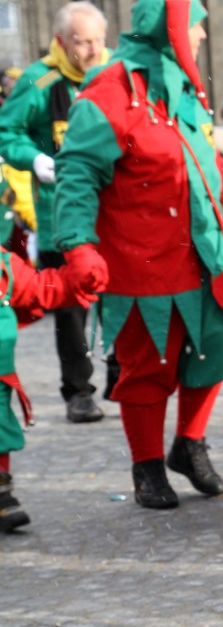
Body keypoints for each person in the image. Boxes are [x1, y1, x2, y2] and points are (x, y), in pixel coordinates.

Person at [53, 0, 223, 510]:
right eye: (195, 23)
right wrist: (79, 246)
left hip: (204, 254)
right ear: (172, 27)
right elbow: (78, 174)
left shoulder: (180, 85)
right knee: (147, 366)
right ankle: (147, 466)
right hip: (142, 263)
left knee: (212, 351)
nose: (201, 34)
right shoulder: (107, 92)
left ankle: (189, 444)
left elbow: (202, 160)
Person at [0, 2, 109, 423]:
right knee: (70, 306)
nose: (94, 50)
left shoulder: (112, 73)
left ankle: (123, 374)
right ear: (62, 41)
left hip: (112, 210)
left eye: (99, 39)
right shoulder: (39, 79)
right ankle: (78, 391)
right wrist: (35, 159)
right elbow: (7, 131)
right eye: (83, 42)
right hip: (59, 213)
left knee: (123, 296)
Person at [0, 173, 103, 533]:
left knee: (1, 429)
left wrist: (79, 278)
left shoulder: (3, 264)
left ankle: (1, 492)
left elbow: (39, 287)